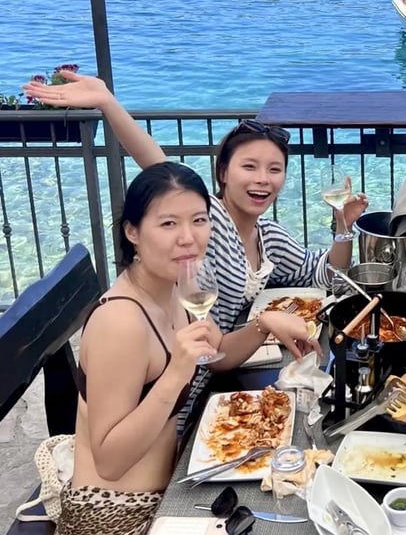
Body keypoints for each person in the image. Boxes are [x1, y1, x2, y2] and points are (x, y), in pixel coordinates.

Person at [53, 162, 286, 535]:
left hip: (170, 500)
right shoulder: (120, 321)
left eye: (199, 220)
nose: (188, 237)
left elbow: (217, 356)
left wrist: (266, 324)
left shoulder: (177, 288)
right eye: (168, 223)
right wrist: (176, 372)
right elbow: (110, 459)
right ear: (133, 233)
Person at [23, 70, 368, 362]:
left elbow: (326, 274)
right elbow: (158, 165)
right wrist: (108, 103)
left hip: (230, 351)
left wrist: (343, 226)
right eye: (249, 166)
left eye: (274, 169)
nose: (263, 179)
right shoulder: (207, 219)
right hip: (195, 364)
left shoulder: (270, 237)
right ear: (222, 173)